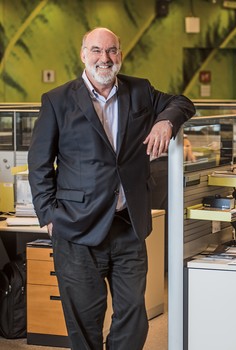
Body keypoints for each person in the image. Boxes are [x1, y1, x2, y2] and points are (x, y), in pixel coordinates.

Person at [28, 27, 195, 350]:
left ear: (120, 54)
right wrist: (48, 215)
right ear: (83, 55)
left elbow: (182, 102)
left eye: (112, 51)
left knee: (134, 317)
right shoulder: (58, 101)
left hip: (127, 226)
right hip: (77, 229)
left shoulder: (140, 91)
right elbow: (39, 164)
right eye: (96, 51)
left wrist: (165, 121)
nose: (104, 59)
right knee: (84, 322)